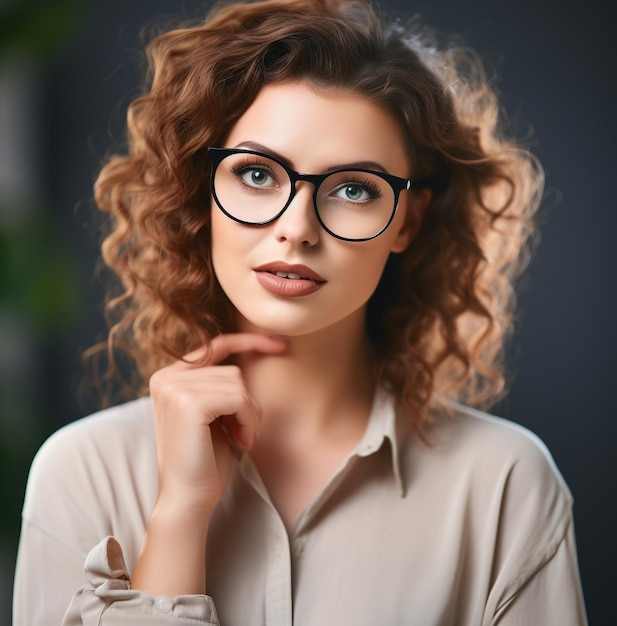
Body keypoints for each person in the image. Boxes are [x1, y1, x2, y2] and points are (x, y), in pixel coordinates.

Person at [13, 0, 587, 624]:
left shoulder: (505, 484)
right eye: (257, 174)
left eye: (353, 189)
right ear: (204, 191)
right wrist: (179, 512)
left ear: (407, 221)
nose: (297, 229)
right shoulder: (81, 473)